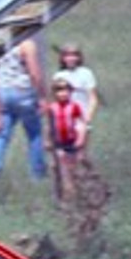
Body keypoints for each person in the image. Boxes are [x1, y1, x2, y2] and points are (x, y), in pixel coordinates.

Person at [0, 37, 48, 182]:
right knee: (34, 134)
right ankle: (38, 174)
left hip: (3, 91)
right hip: (22, 91)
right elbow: (34, 73)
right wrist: (42, 96)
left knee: (1, 133)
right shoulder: (26, 45)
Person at [47, 76, 87, 204]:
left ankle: (77, 193)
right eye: (59, 91)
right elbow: (49, 126)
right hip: (59, 143)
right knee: (60, 168)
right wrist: (47, 140)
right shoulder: (52, 108)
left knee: (74, 167)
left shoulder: (74, 107)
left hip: (72, 141)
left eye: (66, 90)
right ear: (54, 93)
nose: (63, 93)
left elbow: (81, 124)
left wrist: (81, 139)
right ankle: (63, 195)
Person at [52, 42, 98, 152]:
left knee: (80, 154)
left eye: (74, 55)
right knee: (64, 155)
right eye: (67, 56)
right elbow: (56, 101)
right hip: (65, 121)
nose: (71, 59)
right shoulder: (59, 76)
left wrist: (88, 117)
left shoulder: (86, 73)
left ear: (79, 57)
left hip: (81, 120)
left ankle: (89, 169)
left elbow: (93, 98)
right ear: (62, 58)